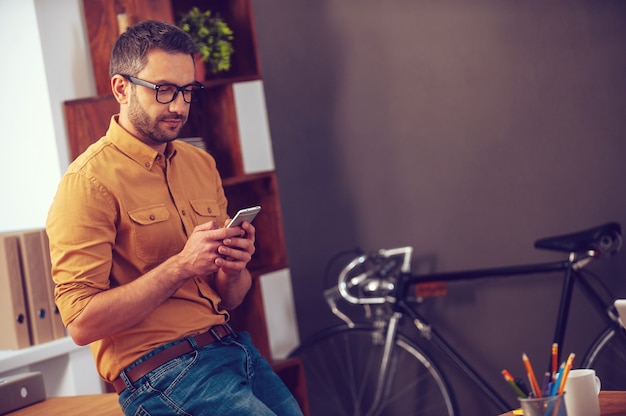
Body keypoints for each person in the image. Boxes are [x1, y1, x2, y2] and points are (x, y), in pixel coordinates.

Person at [46, 20, 303, 416]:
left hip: (232, 349)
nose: (180, 105)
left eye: (187, 91)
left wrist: (234, 267)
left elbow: (230, 297)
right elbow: (80, 322)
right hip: (162, 375)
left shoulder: (200, 163)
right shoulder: (88, 183)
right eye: (164, 90)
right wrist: (181, 265)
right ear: (121, 88)